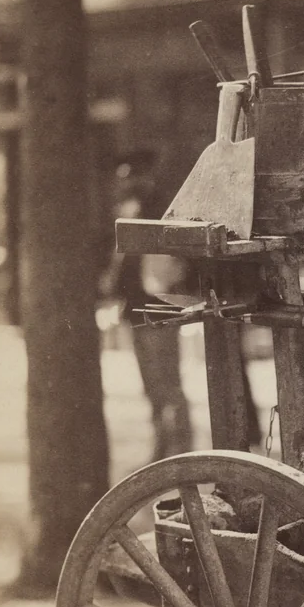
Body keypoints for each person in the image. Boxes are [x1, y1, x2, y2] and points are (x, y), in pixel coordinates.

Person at [104, 150, 195, 462]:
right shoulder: (130, 211)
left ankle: (181, 447)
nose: (127, 183)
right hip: (137, 308)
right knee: (152, 384)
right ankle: (163, 445)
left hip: (159, 306)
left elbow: (171, 267)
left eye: (133, 176)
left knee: (167, 381)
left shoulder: (162, 210)